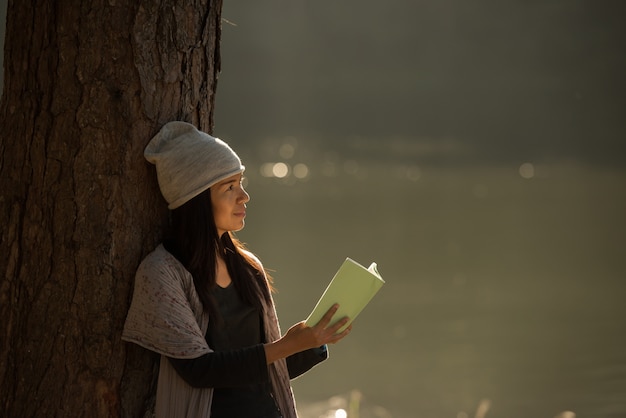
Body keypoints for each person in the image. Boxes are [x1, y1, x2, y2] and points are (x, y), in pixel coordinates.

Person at [122, 121, 352, 418]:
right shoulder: (162, 273)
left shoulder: (248, 267)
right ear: (196, 200)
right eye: (229, 187)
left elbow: (261, 369)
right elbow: (200, 370)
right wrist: (286, 345)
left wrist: (311, 342)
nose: (244, 196)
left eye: (240, 182)